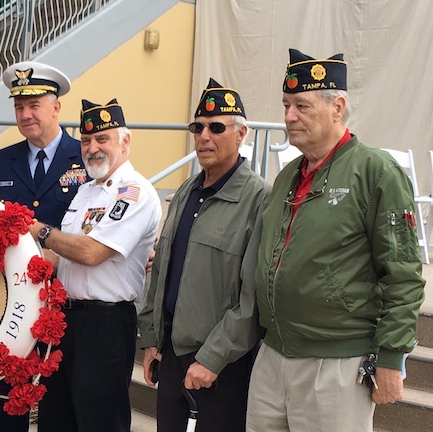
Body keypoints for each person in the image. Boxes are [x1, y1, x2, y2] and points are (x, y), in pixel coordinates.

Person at [246, 49, 426, 432]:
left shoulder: (375, 172)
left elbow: (403, 274)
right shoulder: (288, 176)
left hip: (336, 362)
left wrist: (392, 358)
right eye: (286, 105)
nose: (288, 116)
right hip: (274, 355)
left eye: (301, 106)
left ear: (338, 106)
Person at [137, 78, 270, 432]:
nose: (204, 136)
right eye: (198, 127)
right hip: (172, 355)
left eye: (216, 127)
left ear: (241, 134)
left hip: (221, 365)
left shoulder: (258, 199)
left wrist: (213, 358)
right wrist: (151, 340)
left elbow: (252, 299)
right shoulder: (187, 190)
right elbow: (162, 271)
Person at [31, 98, 162, 432]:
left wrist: (41, 231)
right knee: (57, 420)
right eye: (86, 140)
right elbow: (63, 258)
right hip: (67, 321)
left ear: (125, 141)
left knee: (99, 422)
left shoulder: (135, 192)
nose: (92, 148)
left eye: (102, 139)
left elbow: (90, 253)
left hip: (104, 326)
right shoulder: (85, 191)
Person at [0, 61, 87, 432]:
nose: (25, 115)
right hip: (11, 306)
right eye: (18, 107)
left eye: (35, 105)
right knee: (8, 407)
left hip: (66, 307)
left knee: (60, 409)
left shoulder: (85, 158)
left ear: (56, 106)